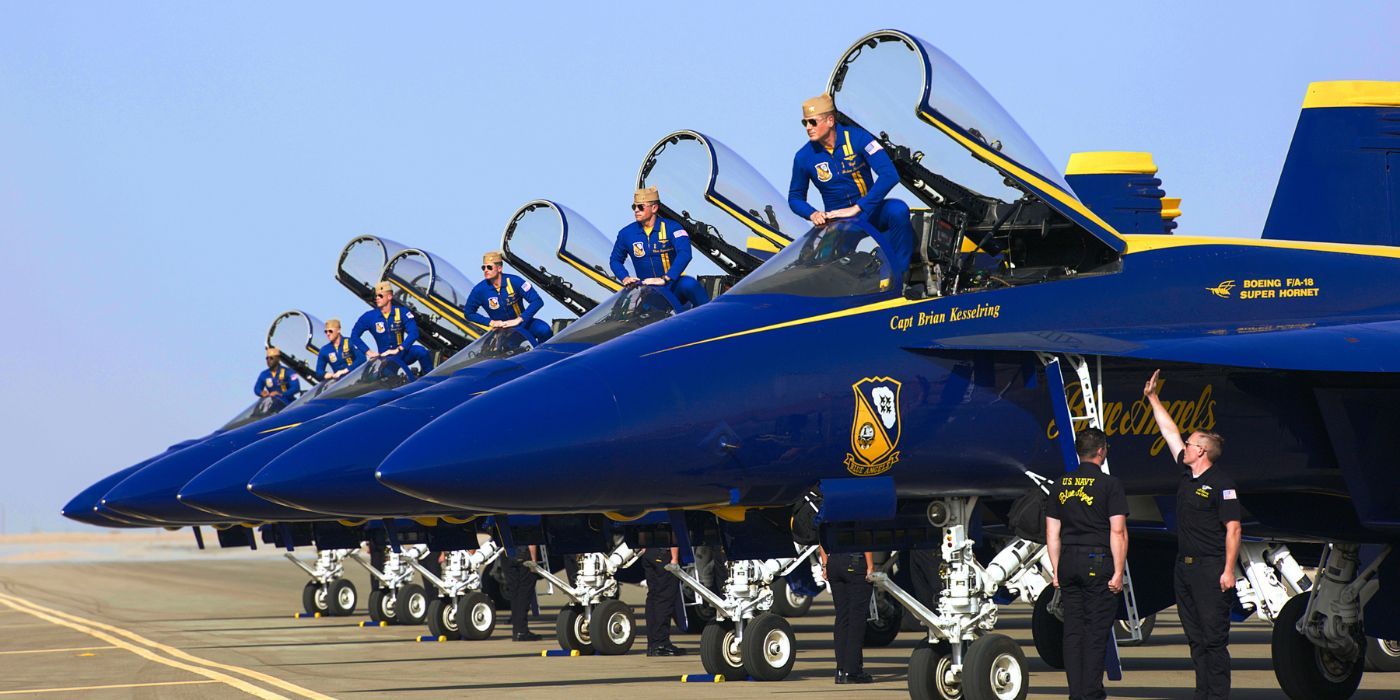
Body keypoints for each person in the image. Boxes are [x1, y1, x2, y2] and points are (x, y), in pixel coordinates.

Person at [1144, 370, 1241, 700]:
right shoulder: (1188, 474)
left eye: (1190, 444)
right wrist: (1153, 399)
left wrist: (1229, 570)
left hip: (1211, 569)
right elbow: (1170, 433)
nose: (1184, 446)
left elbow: (1234, 529)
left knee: (1214, 640)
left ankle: (1217, 696)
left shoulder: (1222, 484)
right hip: (1183, 569)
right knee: (1196, 639)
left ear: (1202, 451)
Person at [788, 93, 913, 281]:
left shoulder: (859, 138)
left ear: (830, 120)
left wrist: (858, 207)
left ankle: (900, 277)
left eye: (812, 122)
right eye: (804, 123)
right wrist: (813, 214)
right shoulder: (803, 157)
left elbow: (890, 175)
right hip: (838, 224)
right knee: (820, 270)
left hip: (870, 211)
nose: (808, 128)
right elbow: (795, 197)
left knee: (898, 210)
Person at [1045, 427, 1129, 700]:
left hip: (1068, 559)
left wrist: (1056, 570)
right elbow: (1118, 531)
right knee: (1096, 630)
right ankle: (1091, 692)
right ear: (1101, 451)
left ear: (1079, 452)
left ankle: (1076, 692)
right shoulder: (1110, 485)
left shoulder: (1060, 484)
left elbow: (1052, 534)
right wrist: (1118, 571)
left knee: (1073, 630)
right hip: (1097, 559)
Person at [609, 186, 710, 309]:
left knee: (690, 284)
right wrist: (625, 277)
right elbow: (615, 260)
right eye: (634, 207)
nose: (636, 210)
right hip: (649, 292)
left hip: (673, 286)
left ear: (654, 208)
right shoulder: (626, 234)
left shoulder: (673, 228)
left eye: (640, 207)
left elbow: (685, 253)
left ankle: (712, 317)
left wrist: (666, 278)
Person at [464, 251, 552, 344]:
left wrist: (519, 319)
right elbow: (468, 313)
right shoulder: (479, 290)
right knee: (509, 350)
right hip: (504, 333)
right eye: (483, 267)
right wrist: (491, 322)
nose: (486, 270)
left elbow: (537, 301)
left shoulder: (515, 281)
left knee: (544, 330)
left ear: (499, 268)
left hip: (524, 323)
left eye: (489, 267)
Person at [351, 281, 434, 374]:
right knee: (386, 379)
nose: (377, 298)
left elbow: (414, 332)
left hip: (402, 353)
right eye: (376, 296)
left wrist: (399, 349)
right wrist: (369, 352)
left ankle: (430, 379)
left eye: (380, 296)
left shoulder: (402, 312)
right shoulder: (369, 317)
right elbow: (354, 335)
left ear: (389, 296)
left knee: (421, 351)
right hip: (386, 359)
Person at [820, 545, 875, 684]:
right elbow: (864, 538)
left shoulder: (829, 521)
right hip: (855, 562)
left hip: (833, 562)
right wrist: (870, 566)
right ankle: (852, 671)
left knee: (842, 617)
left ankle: (840, 670)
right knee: (857, 618)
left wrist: (825, 564)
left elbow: (822, 537)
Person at [640, 546, 685, 656]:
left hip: (649, 553)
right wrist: (674, 558)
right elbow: (674, 533)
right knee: (665, 598)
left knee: (653, 598)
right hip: (664, 554)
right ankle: (661, 643)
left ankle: (652, 643)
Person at [499, 544, 542, 641]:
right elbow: (531, 539)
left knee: (514, 594)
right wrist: (534, 561)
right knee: (524, 592)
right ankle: (522, 631)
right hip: (523, 554)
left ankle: (517, 630)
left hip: (506, 554)